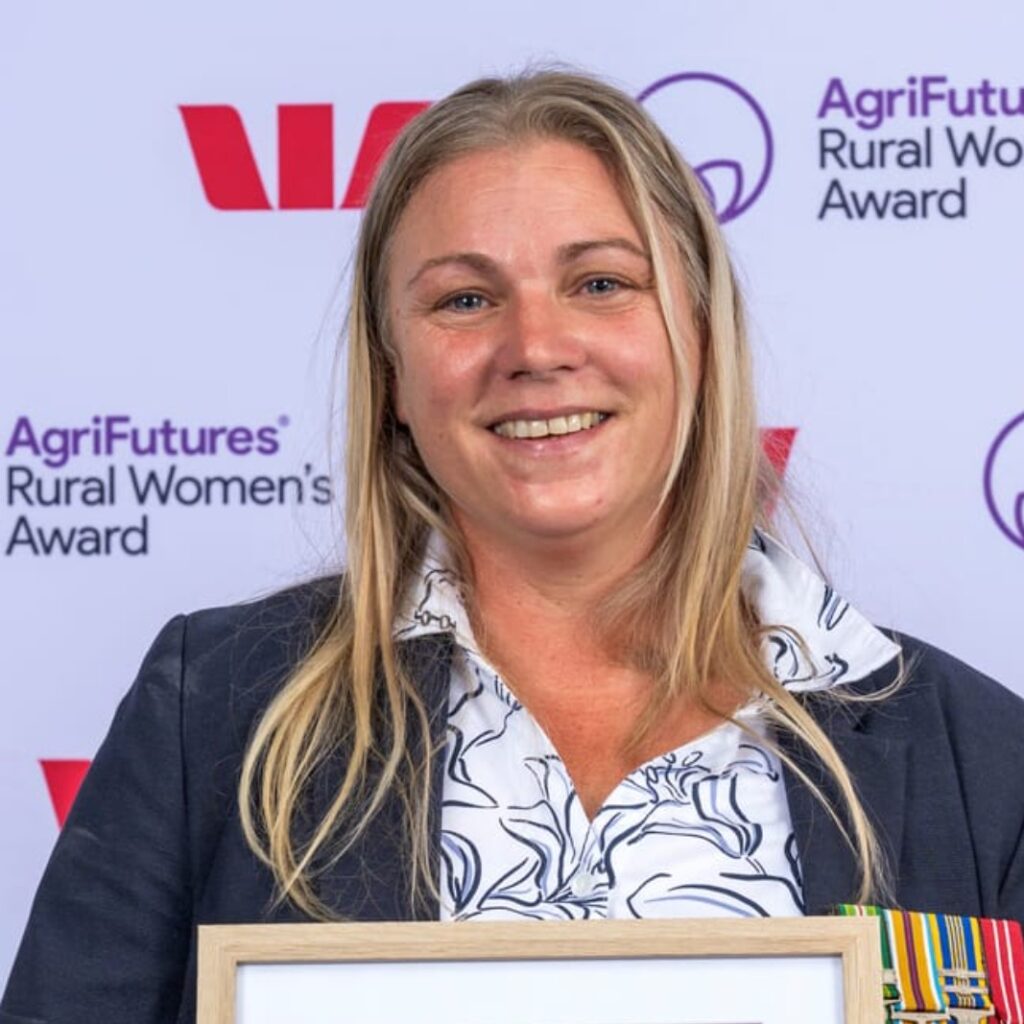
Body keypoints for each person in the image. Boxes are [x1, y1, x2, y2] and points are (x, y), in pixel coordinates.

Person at [2, 70, 1022, 1024]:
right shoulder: (213, 712)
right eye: (464, 300)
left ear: (701, 337)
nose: (534, 348)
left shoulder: (981, 761)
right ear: (394, 376)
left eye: (601, 283)